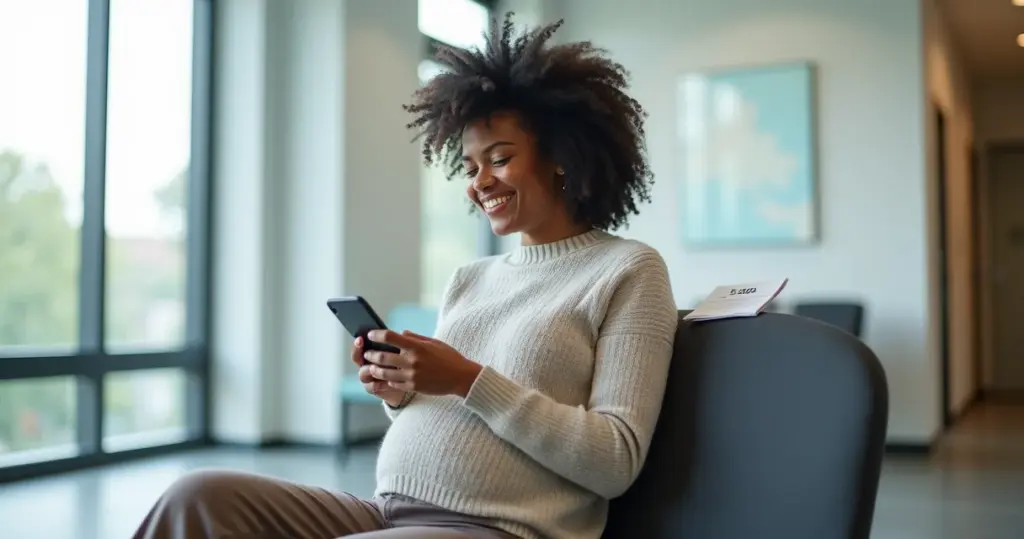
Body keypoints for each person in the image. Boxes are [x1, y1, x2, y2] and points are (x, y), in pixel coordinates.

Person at [132, 12, 678, 539]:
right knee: (196, 497)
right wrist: (400, 394)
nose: (479, 182)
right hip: (387, 511)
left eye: (500, 158)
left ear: (562, 156)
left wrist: (467, 378)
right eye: (468, 167)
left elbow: (615, 459)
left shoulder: (628, 269)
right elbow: (447, 420)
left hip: (502, 528)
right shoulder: (470, 278)